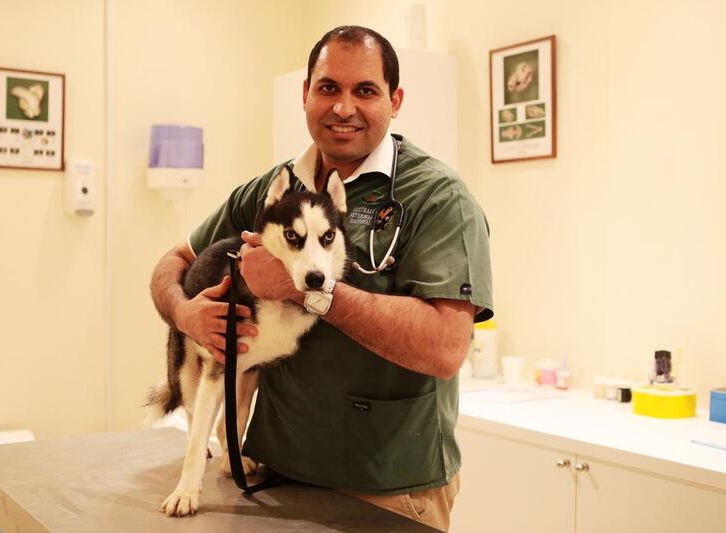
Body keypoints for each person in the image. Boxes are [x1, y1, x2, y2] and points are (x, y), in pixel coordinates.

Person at [150, 25, 493, 532]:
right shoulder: (271, 191)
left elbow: (445, 347)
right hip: (274, 474)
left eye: (366, 91)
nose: (343, 107)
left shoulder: (437, 198)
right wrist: (186, 315)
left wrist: (306, 288)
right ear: (305, 94)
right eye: (328, 87)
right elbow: (171, 265)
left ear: (395, 101)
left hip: (389, 489)